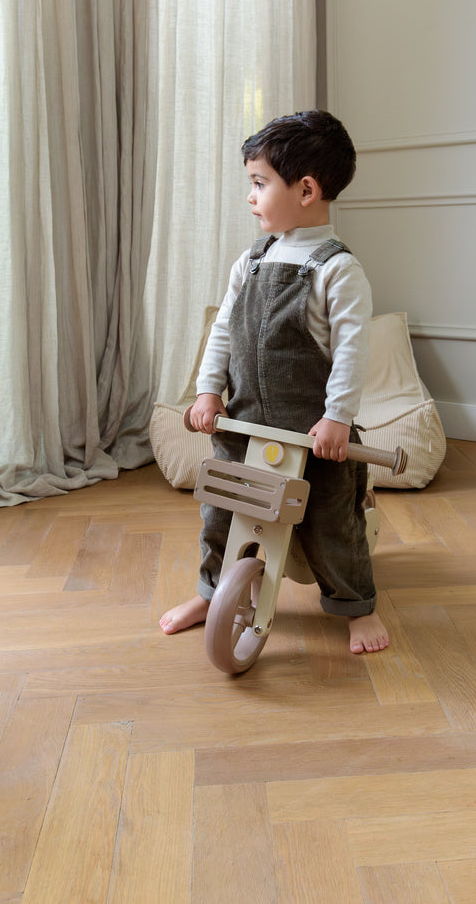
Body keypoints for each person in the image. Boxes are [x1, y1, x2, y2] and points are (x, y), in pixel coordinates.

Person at [159, 110, 389, 654]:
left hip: (312, 437)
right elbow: (224, 332)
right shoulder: (252, 261)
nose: (251, 196)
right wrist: (208, 390)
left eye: (259, 184)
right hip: (243, 426)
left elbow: (353, 352)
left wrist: (337, 419)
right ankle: (213, 592)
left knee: (331, 526)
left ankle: (357, 608)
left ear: (306, 189)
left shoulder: (338, 270)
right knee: (220, 516)